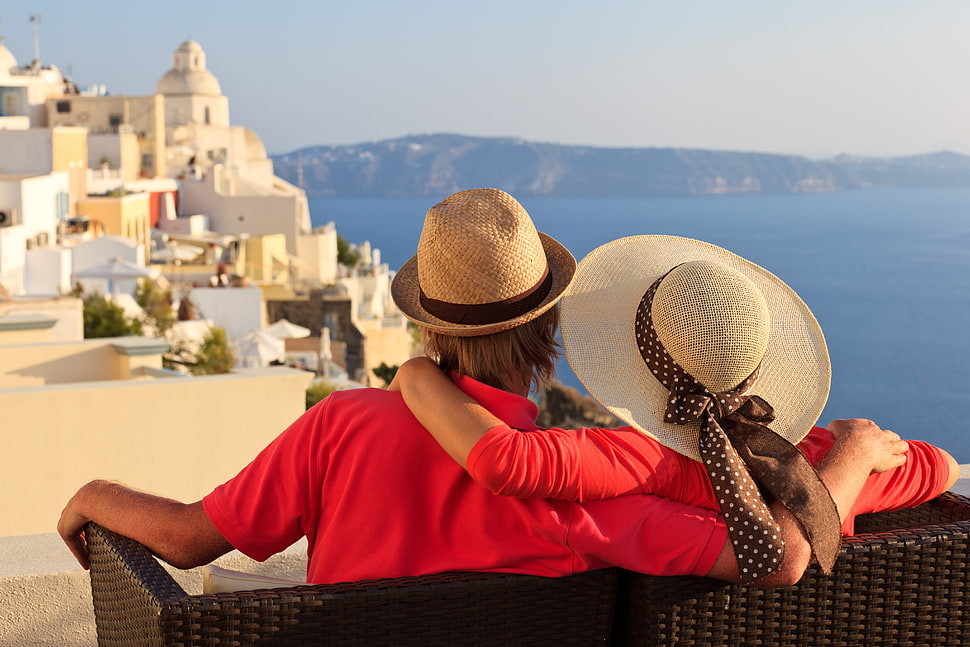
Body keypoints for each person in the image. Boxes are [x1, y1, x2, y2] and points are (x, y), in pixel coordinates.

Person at [59, 190, 909, 589]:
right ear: (549, 334)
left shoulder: (337, 430)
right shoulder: (582, 486)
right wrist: (860, 456)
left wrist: (93, 490)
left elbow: (187, 538)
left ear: (429, 328)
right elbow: (781, 555)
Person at [391, 234, 959, 578]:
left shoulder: (631, 465)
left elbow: (505, 462)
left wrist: (416, 375)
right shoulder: (812, 459)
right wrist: (857, 451)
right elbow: (933, 466)